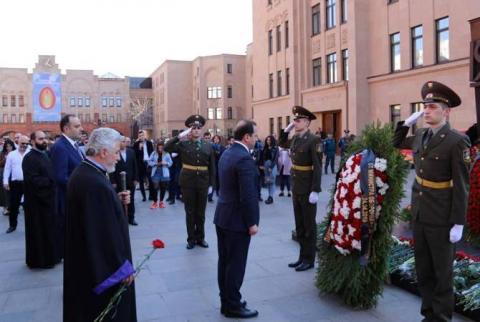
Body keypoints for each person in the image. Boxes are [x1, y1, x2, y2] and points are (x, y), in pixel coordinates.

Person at [393, 81, 470, 322]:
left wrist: (458, 222)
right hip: (420, 213)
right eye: (424, 106)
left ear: (446, 112)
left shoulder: (456, 141)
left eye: (432, 106)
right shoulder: (420, 135)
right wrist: (404, 124)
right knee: (424, 270)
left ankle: (441, 318)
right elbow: (396, 143)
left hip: (442, 216)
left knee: (442, 273)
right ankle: (428, 315)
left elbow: (461, 184)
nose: (426, 111)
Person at [63, 128, 136, 322]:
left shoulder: (87, 172)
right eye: (116, 152)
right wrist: (122, 268)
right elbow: (102, 235)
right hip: (98, 270)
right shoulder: (94, 183)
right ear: (103, 152)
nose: (119, 158)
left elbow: (97, 215)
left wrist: (116, 200)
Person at [214, 120, 259, 319]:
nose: (257, 139)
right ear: (246, 137)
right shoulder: (243, 158)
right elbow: (247, 195)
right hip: (237, 221)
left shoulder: (227, 152)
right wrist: (252, 222)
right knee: (236, 264)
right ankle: (233, 305)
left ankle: (226, 301)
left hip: (223, 216)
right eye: (255, 135)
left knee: (224, 261)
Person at [279, 106, 322, 271]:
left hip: (308, 187)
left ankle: (309, 259)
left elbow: (317, 166)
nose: (295, 123)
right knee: (300, 225)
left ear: (307, 122)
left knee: (309, 225)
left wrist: (315, 190)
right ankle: (301, 257)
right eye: (294, 121)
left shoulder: (314, 140)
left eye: (298, 120)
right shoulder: (296, 139)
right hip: (296, 186)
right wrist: (286, 129)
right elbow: (281, 142)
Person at [165, 115, 216, 249]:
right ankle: (191, 239)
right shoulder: (183, 144)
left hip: (203, 182)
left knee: (201, 213)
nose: (196, 130)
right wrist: (180, 136)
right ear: (189, 130)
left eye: (199, 128)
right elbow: (166, 147)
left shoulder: (208, 146)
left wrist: (212, 184)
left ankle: (201, 238)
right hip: (188, 181)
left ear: (202, 129)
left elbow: (212, 166)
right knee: (190, 212)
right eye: (193, 128)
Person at [50, 114, 83, 261]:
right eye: (77, 126)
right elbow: (60, 177)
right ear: (66, 128)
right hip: (67, 199)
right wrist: (82, 188)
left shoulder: (73, 145)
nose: (81, 129)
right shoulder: (60, 147)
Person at [22, 131, 56, 268]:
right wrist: (50, 181)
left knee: (47, 232)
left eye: (45, 139)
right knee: (38, 232)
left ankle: (49, 259)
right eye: (41, 139)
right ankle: (39, 261)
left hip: (46, 200)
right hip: (36, 203)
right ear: (33, 141)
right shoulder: (29, 158)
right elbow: (33, 180)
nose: (44, 141)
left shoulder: (45, 155)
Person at [3, 135, 30, 233]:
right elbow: (7, 169)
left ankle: (30, 227)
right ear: (18, 142)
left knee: (29, 206)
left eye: (27, 144)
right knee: (14, 206)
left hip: (28, 184)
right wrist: (5, 181)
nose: (25, 145)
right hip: (15, 183)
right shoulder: (12, 154)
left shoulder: (30, 153)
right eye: (23, 143)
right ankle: (12, 225)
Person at [110, 136, 139, 226]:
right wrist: (113, 181)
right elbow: (111, 167)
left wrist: (136, 178)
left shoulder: (131, 152)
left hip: (130, 180)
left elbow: (135, 165)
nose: (123, 143)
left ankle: (131, 218)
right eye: (122, 141)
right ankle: (122, 218)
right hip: (118, 181)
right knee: (120, 200)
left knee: (131, 200)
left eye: (125, 141)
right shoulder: (115, 153)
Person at [148, 141, 172, 209]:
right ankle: (155, 202)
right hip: (156, 171)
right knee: (155, 188)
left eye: (161, 148)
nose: (160, 149)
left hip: (164, 172)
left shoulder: (166, 154)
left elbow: (170, 163)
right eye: (159, 148)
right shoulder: (153, 153)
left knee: (163, 187)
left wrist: (166, 163)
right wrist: (155, 163)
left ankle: (161, 202)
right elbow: (149, 161)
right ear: (157, 147)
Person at [133, 130, 154, 202]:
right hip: (140, 164)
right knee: (141, 181)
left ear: (145, 136)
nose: (141, 137)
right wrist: (139, 148)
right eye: (140, 136)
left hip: (148, 163)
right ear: (138, 137)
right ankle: (144, 196)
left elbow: (152, 153)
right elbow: (135, 155)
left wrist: (151, 162)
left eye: (142, 135)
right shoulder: (136, 144)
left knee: (150, 180)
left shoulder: (149, 143)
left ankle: (151, 195)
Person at [262, 135, 278, 204]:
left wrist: (271, 167)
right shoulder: (265, 148)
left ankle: (271, 197)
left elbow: (275, 159)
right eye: (267, 140)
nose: (268, 141)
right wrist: (263, 165)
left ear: (272, 141)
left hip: (272, 166)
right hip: (266, 165)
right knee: (268, 182)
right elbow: (263, 158)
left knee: (272, 181)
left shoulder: (275, 148)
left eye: (269, 140)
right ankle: (269, 196)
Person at [0, 139, 15, 216]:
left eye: (10, 146)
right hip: (3, 173)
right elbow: (0, 164)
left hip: (13, 174)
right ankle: (5, 208)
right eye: (7, 146)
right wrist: (5, 159)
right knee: (4, 191)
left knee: (13, 191)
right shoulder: (2, 153)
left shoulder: (15, 153)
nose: (9, 148)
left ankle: (12, 207)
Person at [208, 135, 225, 202]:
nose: (216, 140)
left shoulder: (222, 147)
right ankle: (210, 196)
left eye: (217, 138)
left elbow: (223, 155)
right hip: (212, 166)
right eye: (215, 138)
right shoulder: (210, 147)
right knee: (212, 182)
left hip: (219, 166)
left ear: (219, 140)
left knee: (219, 180)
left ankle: (219, 193)